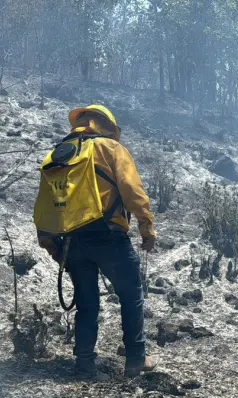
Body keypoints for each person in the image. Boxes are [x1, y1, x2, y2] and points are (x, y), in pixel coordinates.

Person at [33, 105, 156, 379]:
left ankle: (84, 366)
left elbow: (46, 204)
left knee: (87, 303)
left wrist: (51, 244)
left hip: (72, 240)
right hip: (108, 235)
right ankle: (136, 360)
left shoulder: (58, 154)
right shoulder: (110, 148)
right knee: (130, 294)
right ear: (109, 126)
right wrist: (146, 228)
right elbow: (132, 190)